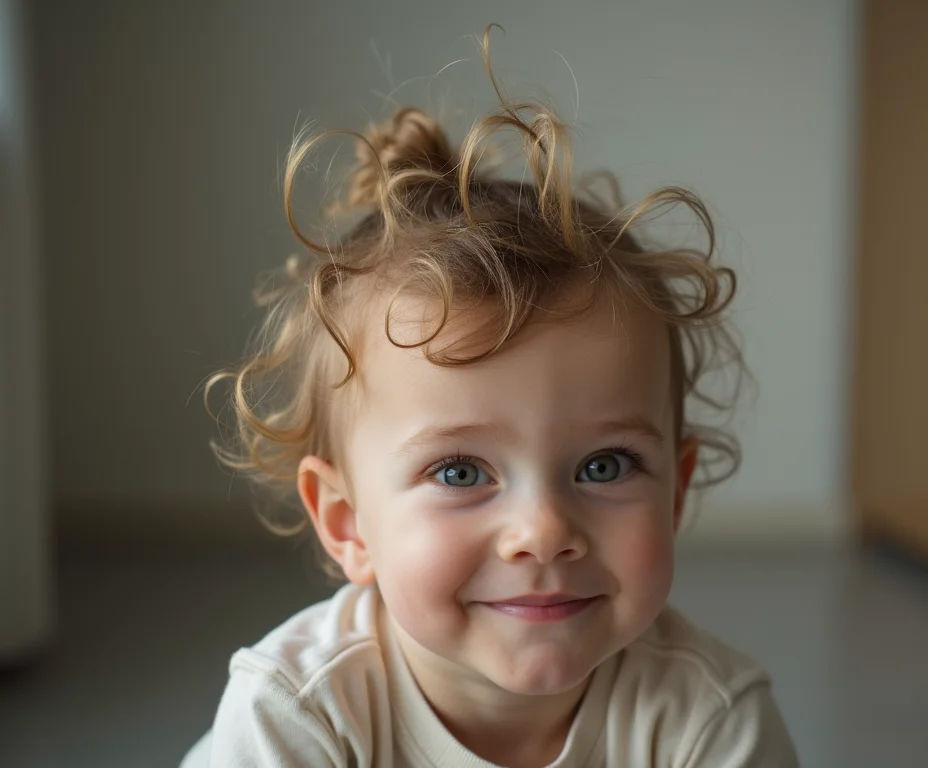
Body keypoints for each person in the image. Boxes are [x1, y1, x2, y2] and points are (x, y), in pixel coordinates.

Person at [182, 28, 799, 768]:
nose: (542, 531)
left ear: (676, 491)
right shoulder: (298, 714)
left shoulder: (707, 721)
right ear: (348, 523)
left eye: (604, 466)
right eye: (460, 472)